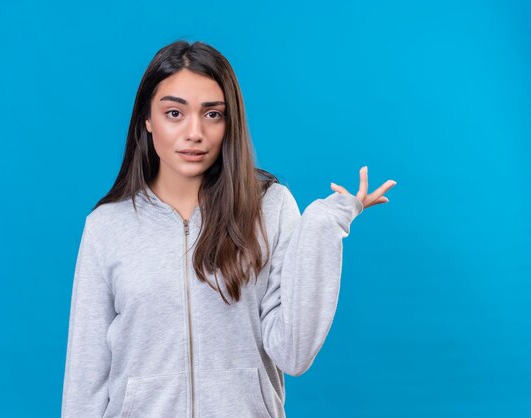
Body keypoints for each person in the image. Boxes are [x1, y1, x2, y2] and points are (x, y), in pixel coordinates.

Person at [60, 40, 396, 418]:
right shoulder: (107, 226)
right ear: (147, 120)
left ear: (230, 121)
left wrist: (322, 226)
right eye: (174, 113)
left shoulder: (269, 207)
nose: (194, 132)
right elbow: (85, 377)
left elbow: (294, 353)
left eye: (213, 114)